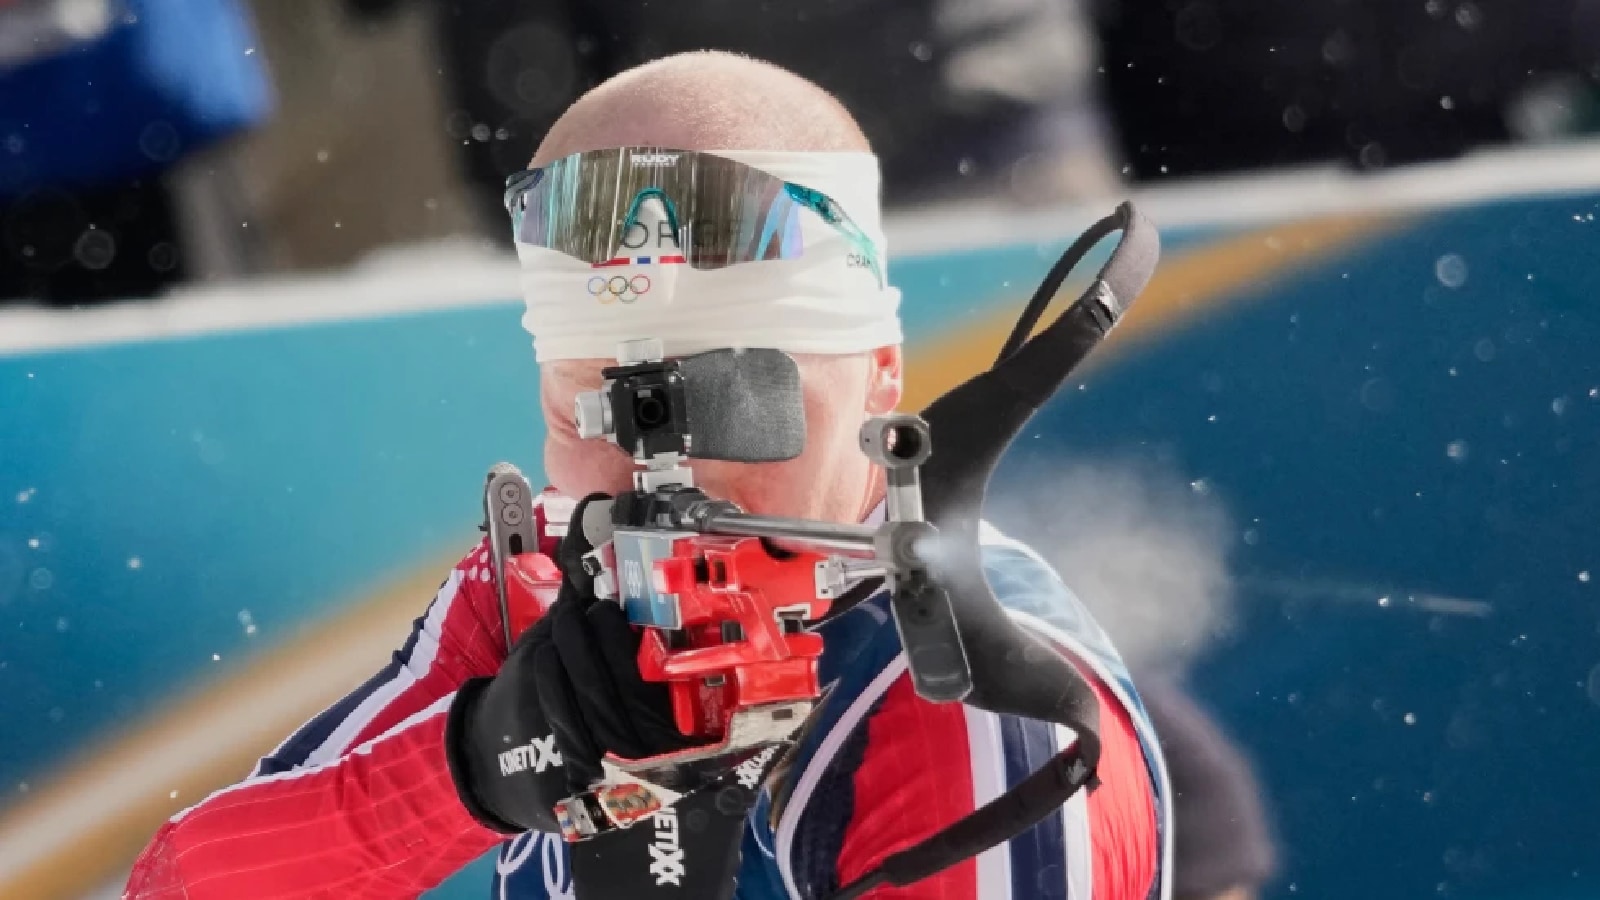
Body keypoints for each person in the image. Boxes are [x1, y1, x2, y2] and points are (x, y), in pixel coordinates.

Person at [123, 52, 1168, 900]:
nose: (658, 477)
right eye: (590, 405)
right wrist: (482, 763)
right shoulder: (540, 584)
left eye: (740, 400)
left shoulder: (971, 727)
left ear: (880, 378)